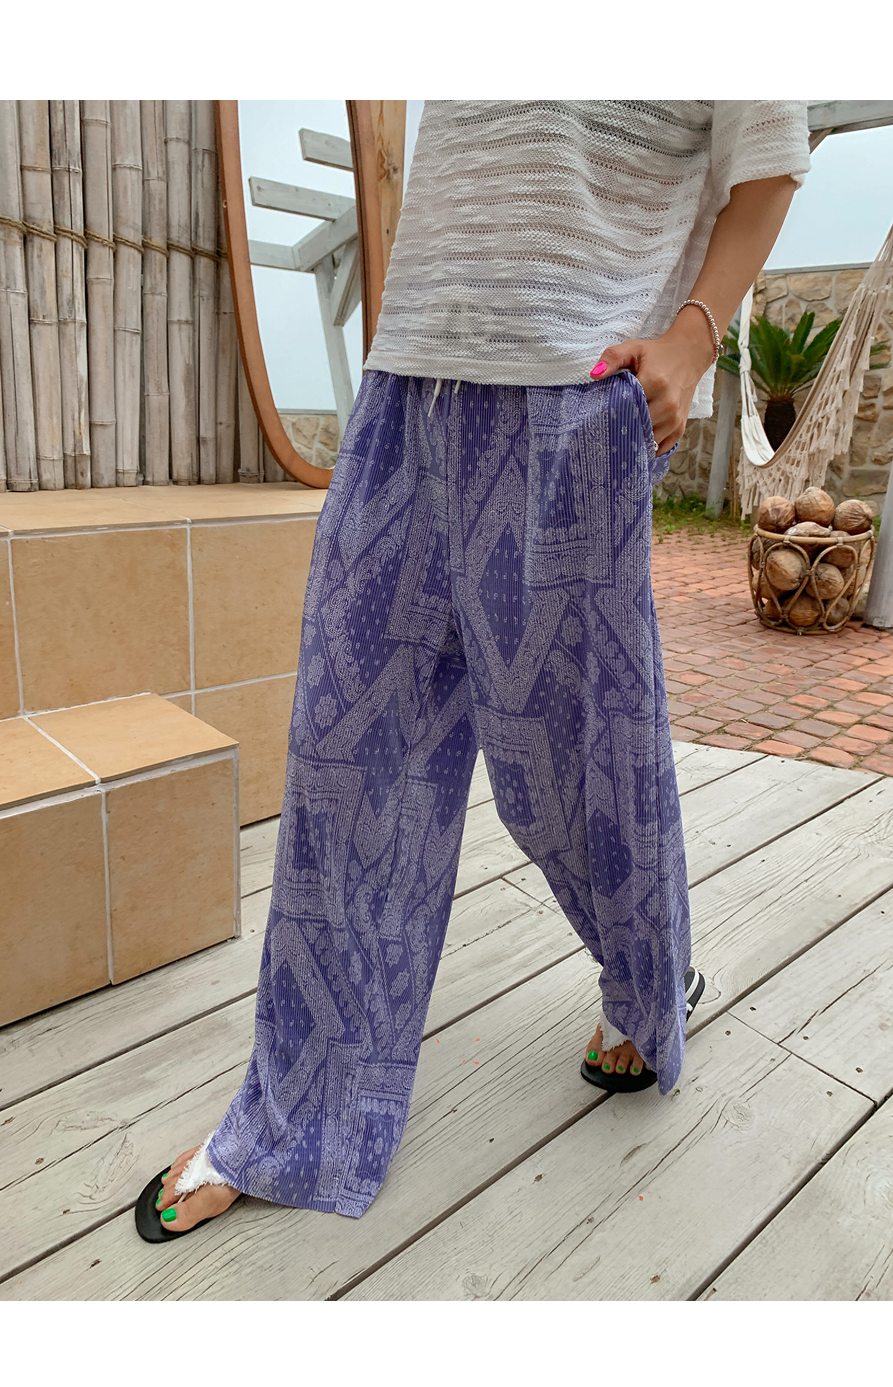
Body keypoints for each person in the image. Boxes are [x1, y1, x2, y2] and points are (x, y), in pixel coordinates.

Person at [136, 100, 810, 1240]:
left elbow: (770, 158)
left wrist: (693, 340)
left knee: (571, 763)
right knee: (348, 756)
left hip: (574, 398)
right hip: (405, 390)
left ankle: (651, 984)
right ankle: (297, 1113)